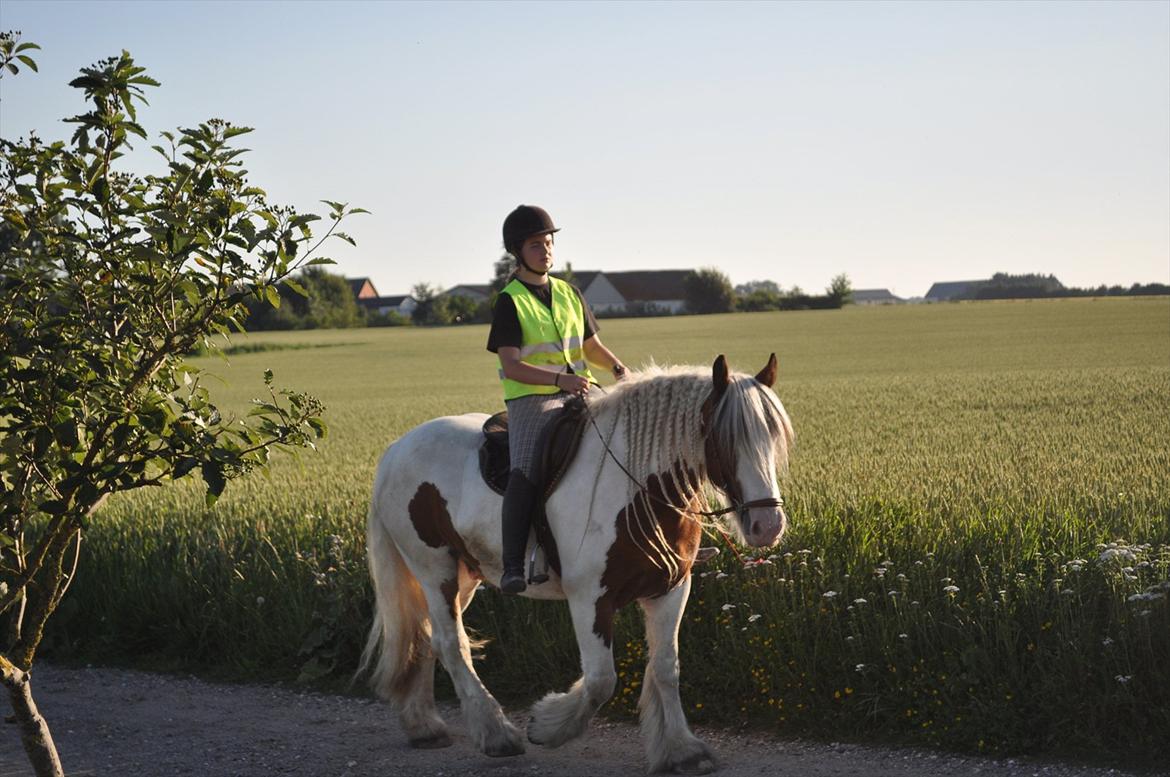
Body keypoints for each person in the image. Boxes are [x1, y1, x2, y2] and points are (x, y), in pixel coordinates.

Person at [486, 204, 628, 594]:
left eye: (549, 242)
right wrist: (558, 380)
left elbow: (591, 346)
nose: (546, 250)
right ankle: (513, 563)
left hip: (577, 390)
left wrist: (618, 370)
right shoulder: (510, 301)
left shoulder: (569, 292)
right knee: (526, 466)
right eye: (536, 244)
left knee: (629, 439)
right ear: (518, 250)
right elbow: (512, 365)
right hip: (532, 400)